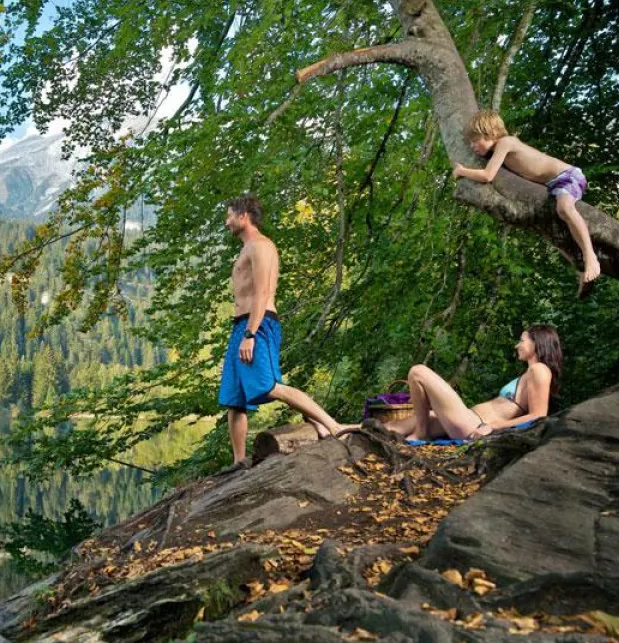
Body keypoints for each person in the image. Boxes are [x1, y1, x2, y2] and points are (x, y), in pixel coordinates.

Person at [217, 194, 348, 473]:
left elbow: (263, 292)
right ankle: (238, 462)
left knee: (270, 386)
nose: (226, 222)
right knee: (234, 398)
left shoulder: (261, 246)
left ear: (243, 216)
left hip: (258, 324)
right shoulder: (247, 248)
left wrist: (250, 335)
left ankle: (332, 425)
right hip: (241, 325)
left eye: (229, 216)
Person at [452, 110, 599, 295]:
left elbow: (488, 175)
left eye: (475, 140)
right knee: (551, 230)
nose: (472, 146)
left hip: (567, 176)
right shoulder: (499, 150)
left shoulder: (506, 142)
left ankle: (590, 256)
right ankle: (580, 268)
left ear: (490, 133)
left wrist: (462, 171)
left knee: (565, 208)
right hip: (552, 186)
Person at [379, 325, 563, 442]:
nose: (517, 346)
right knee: (391, 427)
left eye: (522, 341)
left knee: (418, 372)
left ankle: (421, 434)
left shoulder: (539, 369)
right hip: (468, 418)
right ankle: (360, 432)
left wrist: (495, 426)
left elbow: (538, 415)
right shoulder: (529, 372)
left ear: (537, 343)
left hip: (474, 424)